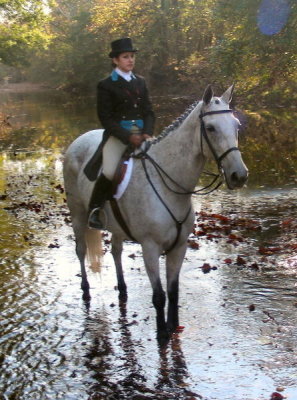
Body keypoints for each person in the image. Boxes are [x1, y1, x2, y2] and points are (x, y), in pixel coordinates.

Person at [88, 37, 155, 229]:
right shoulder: (106, 84)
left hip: (143, 134)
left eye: (132, 56)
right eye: (126, 57)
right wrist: (128, 137)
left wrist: (148, 133)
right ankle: (94, 211)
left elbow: (148, 111)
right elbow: (105, 118)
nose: (130, 60)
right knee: (109, 171)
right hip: (118, 136)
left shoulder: (140, 82)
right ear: (115, 60)